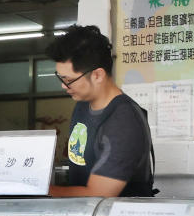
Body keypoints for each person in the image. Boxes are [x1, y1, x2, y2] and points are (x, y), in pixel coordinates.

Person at [45, 25, 155, 198]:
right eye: (60, 77)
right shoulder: (83, 104)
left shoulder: (123, 121)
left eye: (68, 80)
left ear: (97, 75)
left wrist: (38, 192)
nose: (63, 85)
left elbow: (99, 194)